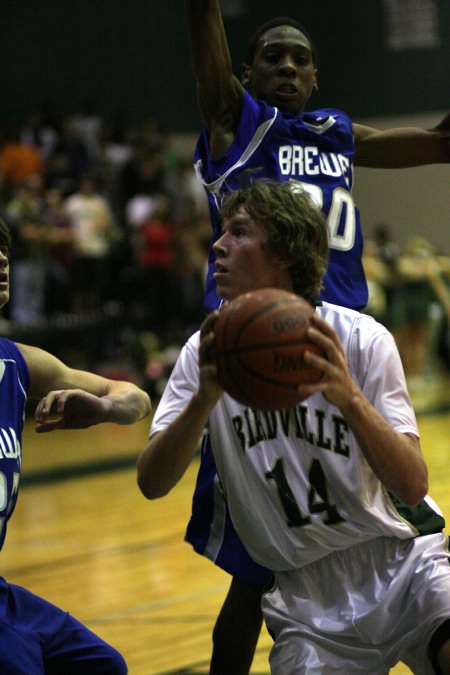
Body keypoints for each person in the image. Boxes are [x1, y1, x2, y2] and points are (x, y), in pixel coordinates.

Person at [183, 2, 450, 671]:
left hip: (341, 350)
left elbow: (430, 144)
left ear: (316, 77)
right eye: (273, 56)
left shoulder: (332, 132)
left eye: (300, 59)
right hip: (259, 357)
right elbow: (209, 72)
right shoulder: (239, 124)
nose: (288, 66)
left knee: (399, 511)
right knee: (254, 567)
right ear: (247, 72)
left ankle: (418, 617)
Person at [137, 179, 450, 674]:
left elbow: (412, 483)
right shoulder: (204, 351)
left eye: (238, 232)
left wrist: (347, 397)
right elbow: (151, 483)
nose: (217, 244)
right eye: (221, 232)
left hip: (403, 564)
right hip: (305, 597)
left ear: (284, 251)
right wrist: (205, 398)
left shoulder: (361, 339)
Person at [0, 216, 151, 674]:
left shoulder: (19, 361)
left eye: (4, 248)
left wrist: (103, 410)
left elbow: (136, 398)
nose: (3, 258)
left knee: (105, 667)